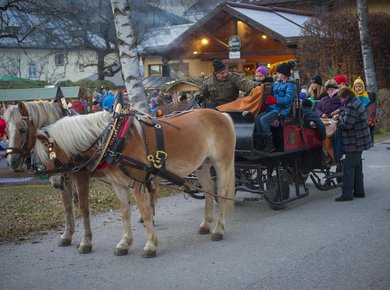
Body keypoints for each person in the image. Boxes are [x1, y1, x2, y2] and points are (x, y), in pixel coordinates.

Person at [333, 86, 372, 202]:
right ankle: (359, 191)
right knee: (357, 167)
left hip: (355, 141)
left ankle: (347, 194)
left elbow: (346, 125)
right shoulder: (355, 102)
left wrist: (337, 120)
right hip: (358, 140)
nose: (340, 100)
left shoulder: (352, 106)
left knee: (348, 167)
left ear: (347, 96)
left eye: (341, 98)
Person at [254, 61, 297, 152]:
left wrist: (276, 101)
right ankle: (260, 142)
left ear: (284, 74)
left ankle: (270, 144)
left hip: (282, 110)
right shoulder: (277, 83)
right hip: (272, 107)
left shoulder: (290, 85)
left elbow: (288, 99)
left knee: (263, 119)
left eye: (278, 73)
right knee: (258, 118)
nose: (276, 74)